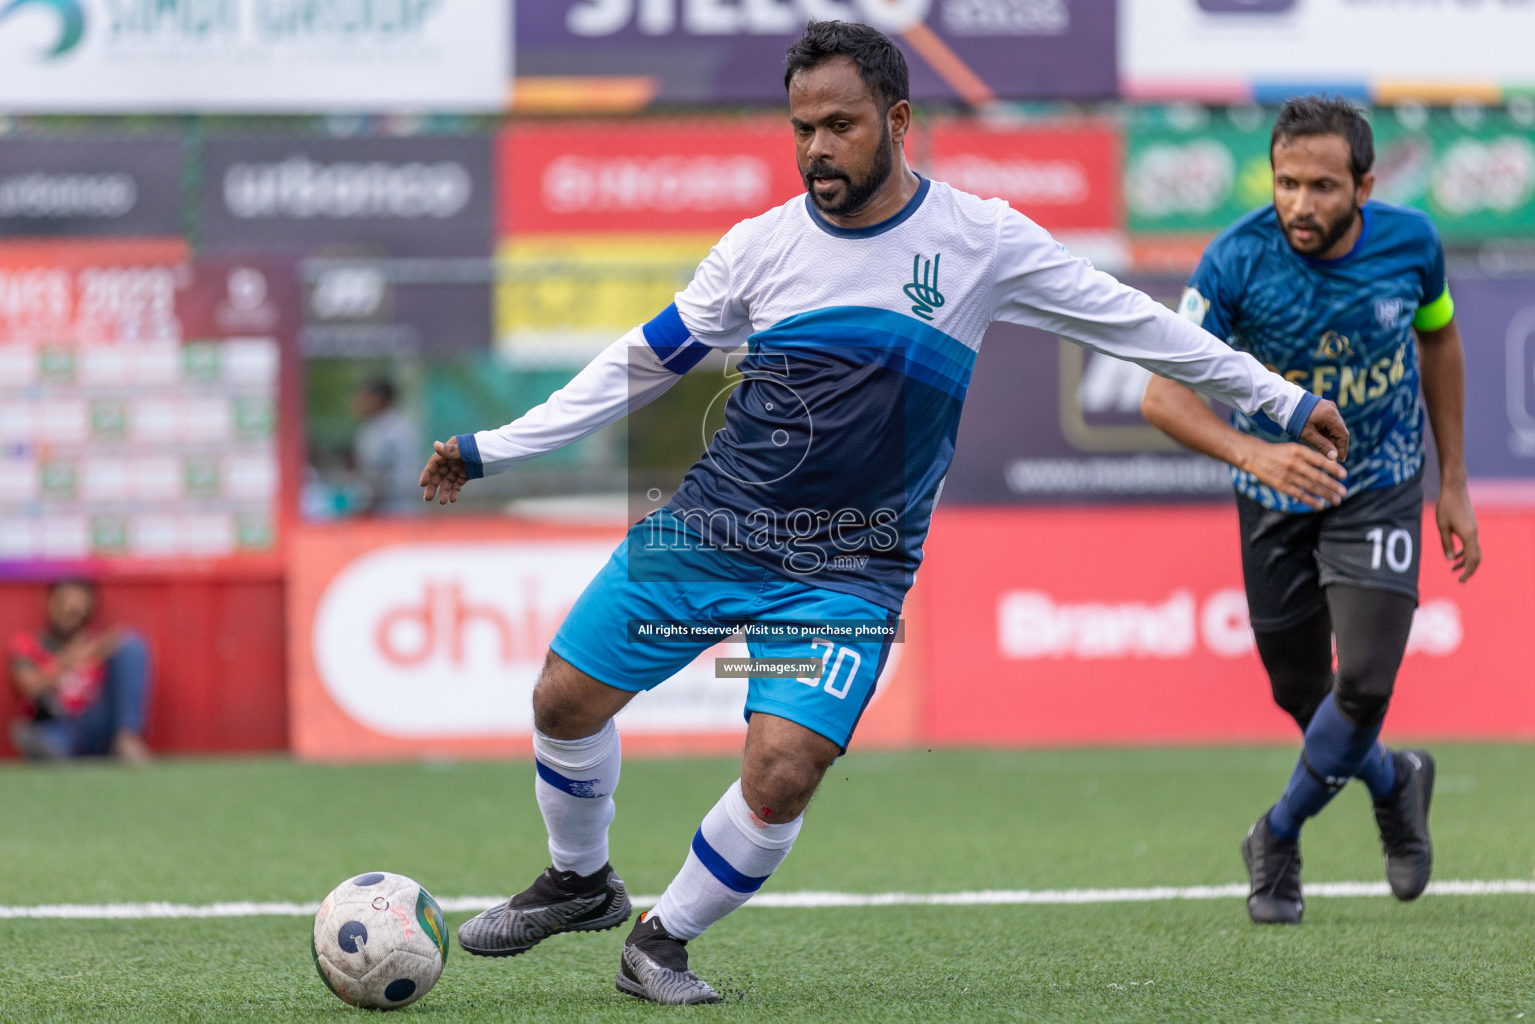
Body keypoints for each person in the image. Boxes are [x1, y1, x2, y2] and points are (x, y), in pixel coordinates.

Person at [417, 22, 1348, 1003]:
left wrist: (1277, 399)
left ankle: (662, 936)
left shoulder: (979, 242)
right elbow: (639, 364)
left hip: (849, 569)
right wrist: (493, 446)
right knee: (561, 700)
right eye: (800, 128)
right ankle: (579, 878)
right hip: (712, 530)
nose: (817, 146)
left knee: (784, 765)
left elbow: (1139, 323)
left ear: (896, 121)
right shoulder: (757, 249)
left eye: (839, 125)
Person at [1142, 96, 1480, 925]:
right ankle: (1395, 781)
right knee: (1303, 692)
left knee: (1361, 683)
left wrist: (1453, 478)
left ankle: (1277, 834)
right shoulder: (1233, 262)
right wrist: (1255, 454)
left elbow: (1437, 339)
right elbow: (1160, 395)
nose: (1299, 203)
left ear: (1365, 184)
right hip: (1272, 496)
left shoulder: (1412, 244)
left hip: (1380, 484)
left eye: (1323, 186)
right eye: (1286, 182)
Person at [8, 579, 153, 763]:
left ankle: (127, 738)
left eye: (76, 610)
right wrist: (67, 663)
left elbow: (125, 643)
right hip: (57, 722)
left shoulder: (98, 644)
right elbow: (28, 687)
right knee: (42, 736)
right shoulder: (27, 645)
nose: (69, 613)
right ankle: (51, 750)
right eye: (62, 604)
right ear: (48, 603)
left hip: (96, 722)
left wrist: (98, 648)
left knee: (131, 645)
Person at [353, 376, 422, 516]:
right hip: (378, 507)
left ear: (378, 398)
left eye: (363, 396)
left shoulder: (397, 428)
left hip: (398, 508)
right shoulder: (370, 427)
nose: (358, 402)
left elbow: (391, 474)